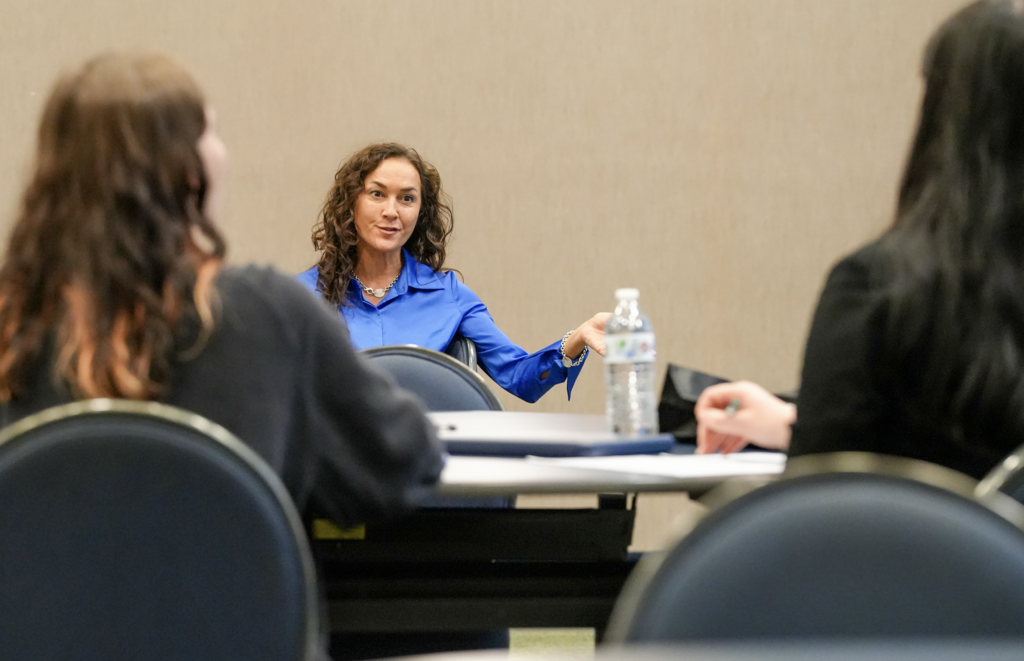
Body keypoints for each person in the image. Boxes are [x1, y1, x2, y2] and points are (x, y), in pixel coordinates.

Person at [0, 53, 443, 530]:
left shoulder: (14, 322)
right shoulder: (271, 316)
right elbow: (406, 463)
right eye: (208, 129)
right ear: (191, 173)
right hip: (237, 606)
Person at [696, 0, 1024, 480]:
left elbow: (824, 492)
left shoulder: (874, 289)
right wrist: (792, 419)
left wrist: (807, 426)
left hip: (902, 556)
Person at [296, 143, 609, 402]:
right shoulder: (302, 298)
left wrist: (576, 338)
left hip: (423, 462)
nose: (391, 211)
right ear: (351, 203)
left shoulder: (450, 296)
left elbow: (520, 378)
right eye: (377, 194)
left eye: (407, 198)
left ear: (420, 212)